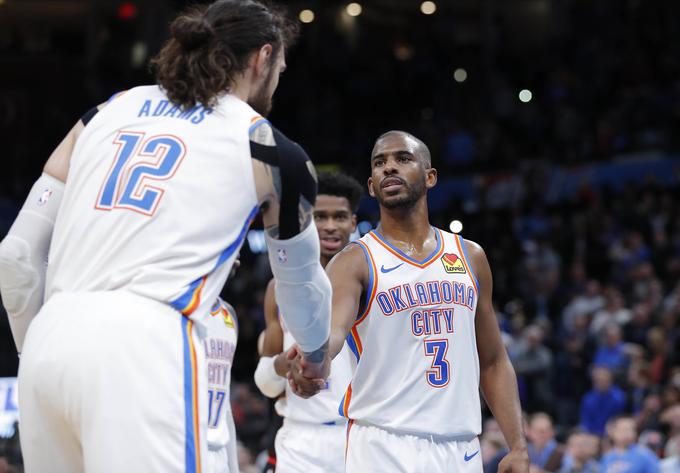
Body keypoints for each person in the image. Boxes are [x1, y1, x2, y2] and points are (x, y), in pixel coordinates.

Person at [0, 2, 333, 472]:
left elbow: (14, 258)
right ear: (262, 58)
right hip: (145, 344)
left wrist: (41, 347)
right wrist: (316, 356)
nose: (276, 83)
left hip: (48, 342)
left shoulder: (104, 113)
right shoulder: (270, 147)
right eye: (279, 70)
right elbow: (300, 286)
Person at [290, 131, 529, 472]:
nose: (389, 168)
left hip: (460, 446)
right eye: (379, 163)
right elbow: (333, 333)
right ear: (372, 186)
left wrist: (517, 444)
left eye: (402, 159)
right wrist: (312, 357)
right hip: (383, 443)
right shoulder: (354, 261)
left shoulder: (470, 257)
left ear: (430, 177)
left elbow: (492, 360)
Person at [255, 171, 363, 473]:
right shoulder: (279, 289)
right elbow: (265, 384)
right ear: (305, 221)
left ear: (353, 223)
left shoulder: (375, 283)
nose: (330, 226)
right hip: (300, 441)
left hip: (360, 437)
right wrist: (282, 365)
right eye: (320, 216)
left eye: (340, 217)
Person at [205, 298, 239, 473]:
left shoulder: (229, 314)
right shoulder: (174, 306)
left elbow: (225, 406)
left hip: (219, 457)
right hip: (183, 450)